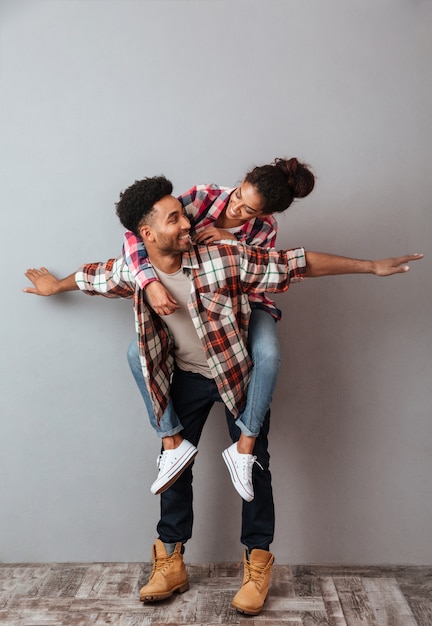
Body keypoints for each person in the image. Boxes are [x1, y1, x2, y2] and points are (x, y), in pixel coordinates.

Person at [23, 175, 422, 616]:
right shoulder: (135, 272)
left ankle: (257, 563)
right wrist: (54, 285)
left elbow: (295, 263)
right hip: (185, 379)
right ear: (147, 235)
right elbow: (93, 276)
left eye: (184, 213)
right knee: (173, 467)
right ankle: (170, 561)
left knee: (254, 469)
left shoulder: (224, 256)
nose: (188, 222)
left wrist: (371, 266)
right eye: (175, 218)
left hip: (237, 377)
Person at [122, 157, 315, 499]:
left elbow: (258, 276)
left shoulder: (265, 230)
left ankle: (245, 445)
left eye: (249, 211)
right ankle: (171, 442)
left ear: (264, 215)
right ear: (240, 181)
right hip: (196, 307)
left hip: (246, 304)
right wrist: (148, 281)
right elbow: (142, 231)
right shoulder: (200, 198)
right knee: (136, 354)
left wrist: (230, 241)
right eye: (239, 195)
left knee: (268, 355)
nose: (237, 207)